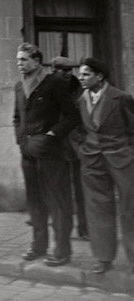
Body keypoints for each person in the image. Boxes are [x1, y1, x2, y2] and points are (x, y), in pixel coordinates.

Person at [13, 43, 80, 267]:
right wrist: (21, 141)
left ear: (37, 60)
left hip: (52, 152)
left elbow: (72, 116)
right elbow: (16, 118)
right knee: (35, 202)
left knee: (58, 201)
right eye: (18, 60)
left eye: (23, 59)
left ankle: (62, 250)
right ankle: (38, 246)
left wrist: (51, 135)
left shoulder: (54, 83)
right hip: (28, 153)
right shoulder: (18, 86)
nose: (19, 64)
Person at [76, 58, 134, 274]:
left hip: (122, 159)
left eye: (85, 74)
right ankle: (103, 257)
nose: (80, 78)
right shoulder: (81, 100)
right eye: (80, 74)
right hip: (92, 160)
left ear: (99, 76)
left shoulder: (121, 98)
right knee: (98, 208)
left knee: (130, 207)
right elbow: (79, 130)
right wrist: (82, 150)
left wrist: (129, 152)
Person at [51, 56, 88, 240]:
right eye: (63, 70)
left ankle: (85, 228)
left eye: (69, 70)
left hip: (77, 146)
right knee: (60, 190)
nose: (67, 74)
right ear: (54, 70)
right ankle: (63, 229)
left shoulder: (78, 89)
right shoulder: (48, 88)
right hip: (56, 148)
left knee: (82, 189)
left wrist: (82, 138)